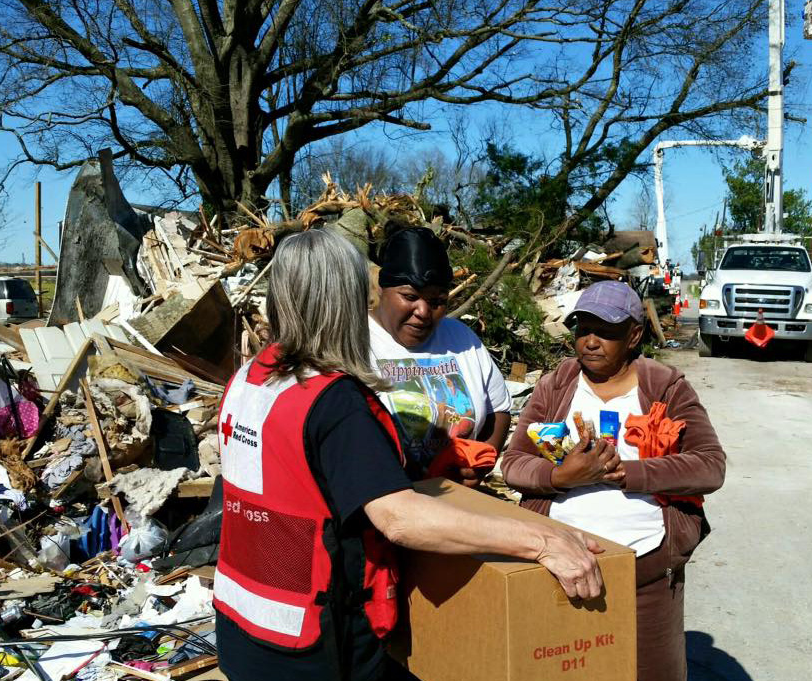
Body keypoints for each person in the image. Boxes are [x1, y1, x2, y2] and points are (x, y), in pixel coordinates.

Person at [214, 228, 604, 681]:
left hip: (245, 617)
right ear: (345, 301)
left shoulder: (249, 378)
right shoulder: (332, 400)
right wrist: (542, 541)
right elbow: (398, 518)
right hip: (315, 639)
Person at [500, 280, 726, 681]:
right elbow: (515, 463)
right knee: (564, 669)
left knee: (650, 670)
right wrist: (558, 476)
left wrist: (629, 473)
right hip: (557, 567)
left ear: (634, 335)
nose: (590, 341)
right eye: (583, 329)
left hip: (648, 569)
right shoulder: (556, 386)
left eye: (605, 331)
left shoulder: (665, 388)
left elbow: (710, 466)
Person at [369, 227, 511, 482]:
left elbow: (498, 409)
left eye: (437, 301)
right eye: (410, 296)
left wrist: (481, 460)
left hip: (458, 502)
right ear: (382, 288)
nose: (423, 311)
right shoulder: (352, 343)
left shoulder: (462, 339)